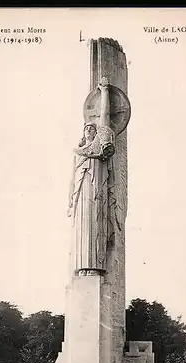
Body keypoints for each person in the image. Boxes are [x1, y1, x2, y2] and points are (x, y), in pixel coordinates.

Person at [68, 78, 116, 276]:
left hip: (96, 190)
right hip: (81, 194)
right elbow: (72, 178)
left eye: (92, 128)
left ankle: (96, 266)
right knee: (81, 228)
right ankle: (82, 267)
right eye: (86, 128)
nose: (89, 130)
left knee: (96, 223)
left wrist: (104, 91)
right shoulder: (78, 152)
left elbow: (104, 119)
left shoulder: (99, 146)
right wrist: (70, 199)